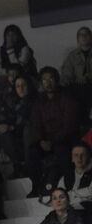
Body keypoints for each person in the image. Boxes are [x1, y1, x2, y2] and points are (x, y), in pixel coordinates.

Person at [27, 67, 79, 198]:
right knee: (32, 152)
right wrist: (42, 140)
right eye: (44, 80)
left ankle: (69, 187)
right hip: (45, 141)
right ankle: (36, 187)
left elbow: (69, 125)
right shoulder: (38, 102)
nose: (48, 82)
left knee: (63, 152)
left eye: (51, 79)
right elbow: (36, 124)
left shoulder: (67, 98)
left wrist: (54, 141)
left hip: (64, 139)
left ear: (56, 80)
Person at [0, 74, 37, 173]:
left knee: (28, 130)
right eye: (18, 86)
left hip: (32, 133)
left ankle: (28, 165)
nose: (21, 89)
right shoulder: (13, 102)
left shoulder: (36, 101)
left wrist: (11, 127)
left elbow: (33, 121)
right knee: (4, 134)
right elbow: (7, 119)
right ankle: (17, 165)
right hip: (16, 134)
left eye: (24, 85)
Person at [61, 27, 92, 125]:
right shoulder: (72, 56)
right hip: (78, 89)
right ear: (77, 38)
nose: (83, 37)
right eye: (81, 35)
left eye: (86, 34)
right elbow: (66, 74)